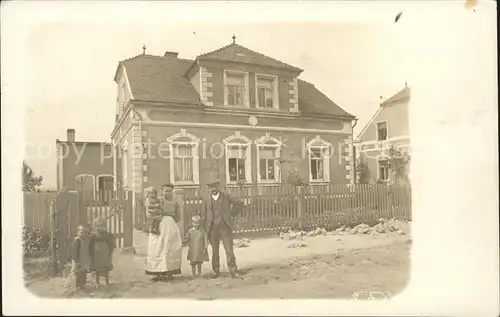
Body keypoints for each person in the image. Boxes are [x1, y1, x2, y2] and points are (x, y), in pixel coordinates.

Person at [200, 179, 243, 278]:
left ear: (218, 187)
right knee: (215, 251)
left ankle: (233, 270)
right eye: (211, 187)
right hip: (212, 228)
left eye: (215, 186)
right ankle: (216, 271)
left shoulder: (225, 197)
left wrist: (231, 214)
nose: (213, 189)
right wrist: (205, 228)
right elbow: (203, 214)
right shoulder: (206, 199)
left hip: (225, 227)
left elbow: (239, 204)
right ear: (209, 188)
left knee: (229, 249)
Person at [145, 183, 183, 282]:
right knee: (158, 248)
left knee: (170, 247)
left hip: (170, 226)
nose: (168, 193)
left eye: (170, 191)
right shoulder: (158, 201)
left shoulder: (176, 202)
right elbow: (149, 213)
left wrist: (170, 219)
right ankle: (158, 272)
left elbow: (178, 217)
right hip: (158, 225)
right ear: (162, 191)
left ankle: (169, 271)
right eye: (166, 191)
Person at [89, 217, 115, 288]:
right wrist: (91, 253)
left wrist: (110, 251)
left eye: (101, 226)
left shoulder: (108, 235)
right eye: (98, 227)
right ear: (95, 227)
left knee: (105, 267)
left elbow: (111, 244)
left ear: (104, 227)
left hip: (105, 254)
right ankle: (97, 282)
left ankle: (107, 281)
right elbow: (90, 245)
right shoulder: (93, 236)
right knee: (97, 268)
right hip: (96, 254)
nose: (100, 228)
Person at [70, 225, 89, 291]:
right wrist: (77, 260)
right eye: (81, 232)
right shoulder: (77, 240)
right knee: (77, 273)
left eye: (84, 232)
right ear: (77, 233)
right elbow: (75, 251)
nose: (83, 234)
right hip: (77, 260)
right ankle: (77, 286)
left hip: (83, 259)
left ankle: (82, 285)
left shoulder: (84, 240)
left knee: (83, 272)